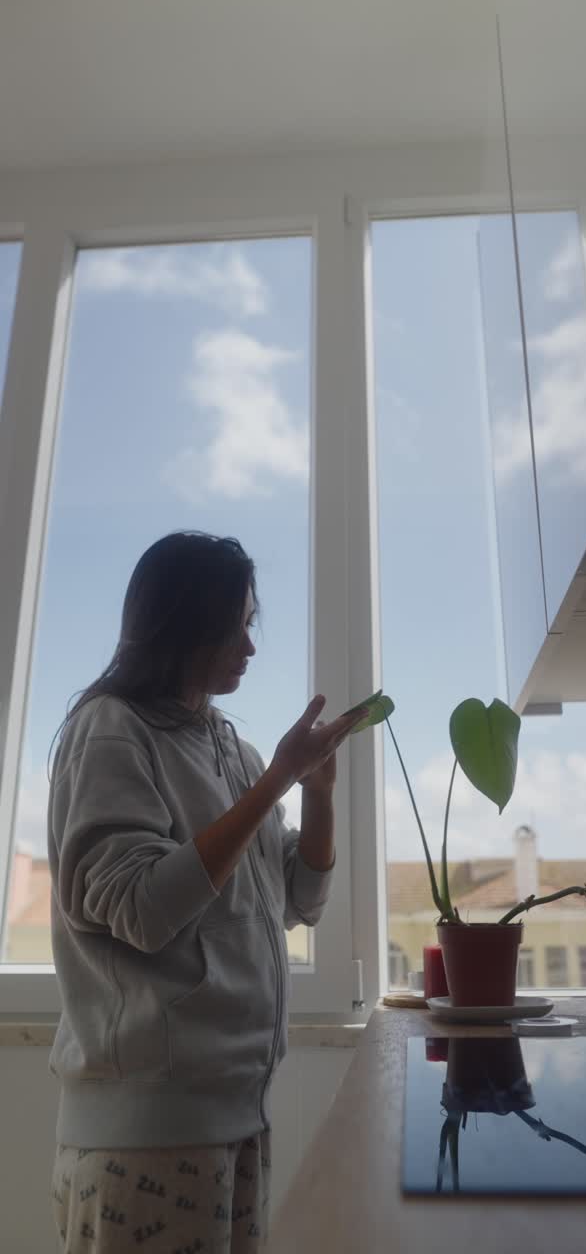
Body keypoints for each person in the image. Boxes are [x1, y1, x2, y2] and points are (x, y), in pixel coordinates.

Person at [47, 530, 367, 1253]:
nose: (250, 647)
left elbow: (295, 903)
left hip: (236, 1114)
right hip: (147, 1132)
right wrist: (277, 781)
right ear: (181, 621)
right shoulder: (109, 729)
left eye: (250, 624)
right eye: (236, 625)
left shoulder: (234, 747)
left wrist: (316, 792)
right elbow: (141, 908)